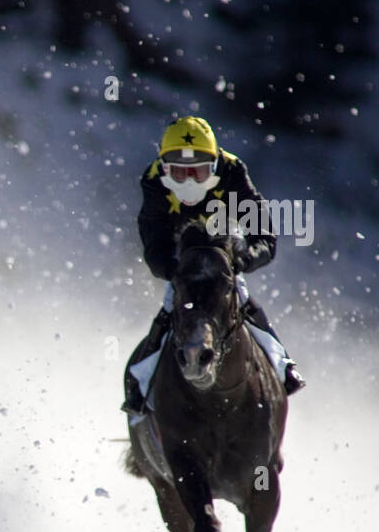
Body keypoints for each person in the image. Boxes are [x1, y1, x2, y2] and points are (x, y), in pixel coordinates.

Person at [122, 115, 305, 416]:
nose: (191, 181)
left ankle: (282, 366)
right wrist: (172, 270)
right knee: (171, 309)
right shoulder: (154, 180)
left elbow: (265, 237)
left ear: (216, 166)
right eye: (180, 174)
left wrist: (244, 259)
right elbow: (153, 237)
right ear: (164, 169)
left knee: (242, 300)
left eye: (199, 171)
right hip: (183, 255)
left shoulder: (233, 172)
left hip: (224, 249)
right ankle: (140, 382)